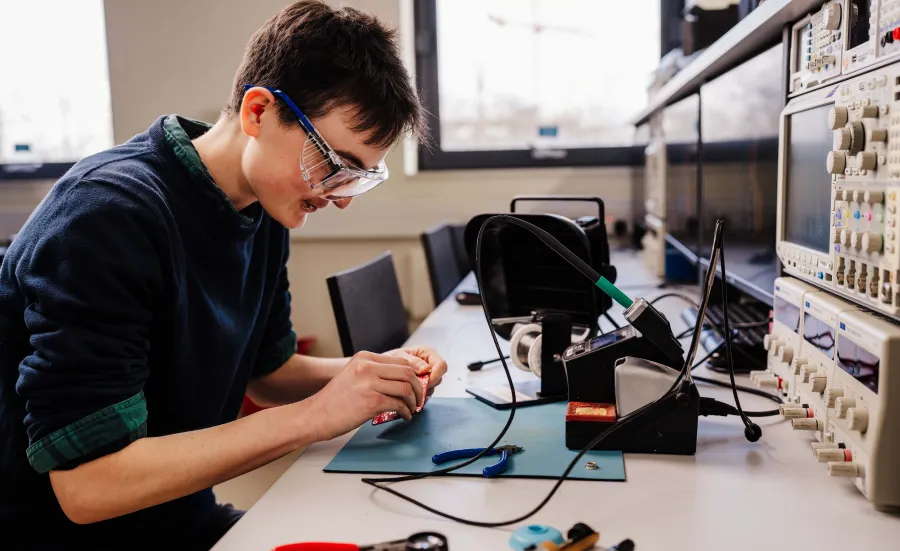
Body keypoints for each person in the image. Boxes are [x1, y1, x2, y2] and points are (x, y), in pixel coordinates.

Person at [0, 2, 446, 549]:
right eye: (332, 165)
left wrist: (372, 375)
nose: (338, 198)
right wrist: (317, 415)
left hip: (179, 518)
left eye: (356, 178)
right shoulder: (106, 218)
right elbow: (90, 487)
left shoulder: (264, 206)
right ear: (258, 112)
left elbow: (269, 372)